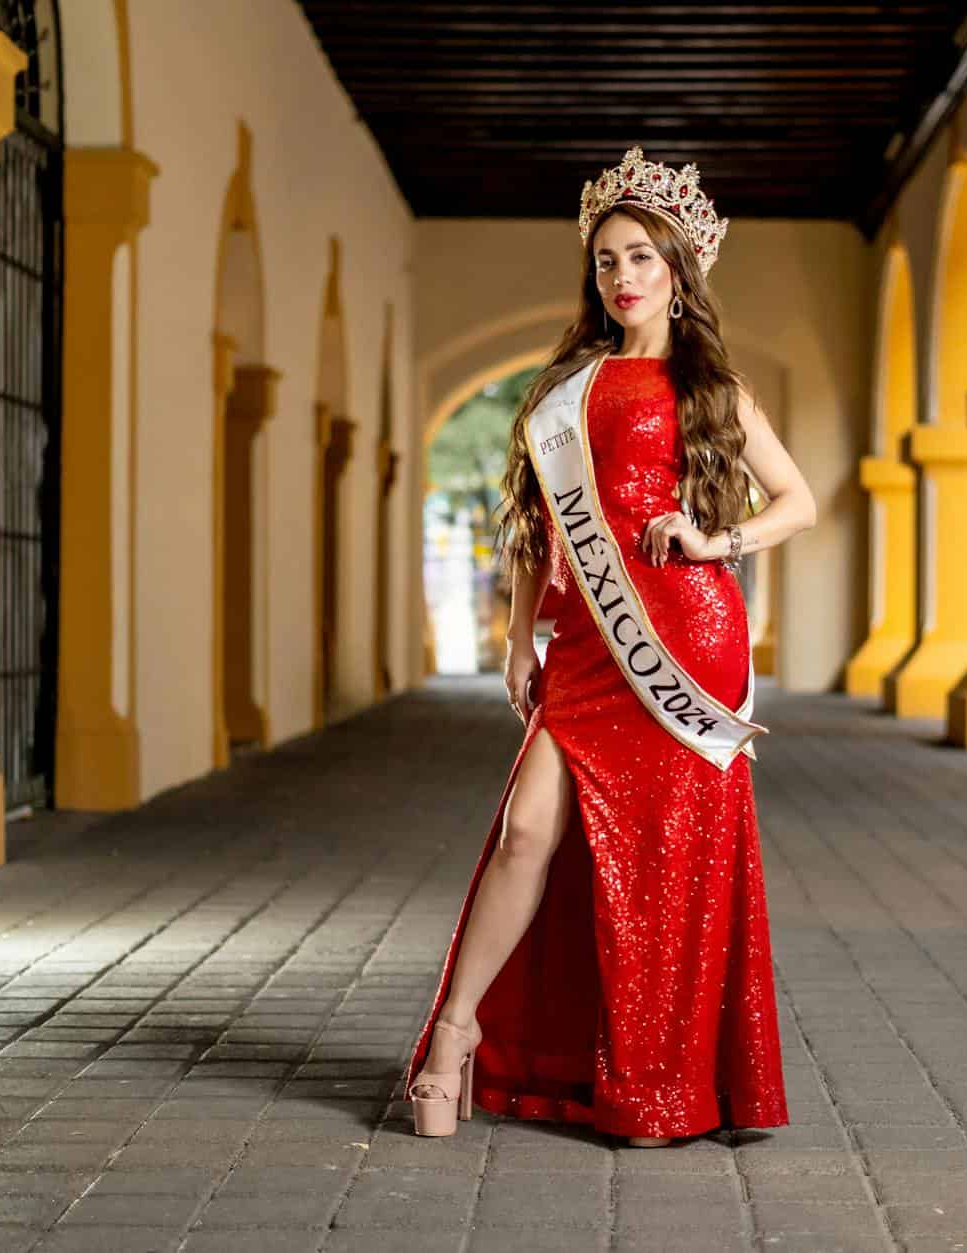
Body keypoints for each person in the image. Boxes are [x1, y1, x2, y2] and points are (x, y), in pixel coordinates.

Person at [405, 147, 817, 1148]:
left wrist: (714, 538)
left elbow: (799, 500)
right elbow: (540, 524)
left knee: (668, 867)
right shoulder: (564, 389)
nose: (621, 277)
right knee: (526, 831)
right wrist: (516, 636)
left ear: (677, 270)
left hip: (685, 639)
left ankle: (655, 1083)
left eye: (640, 257)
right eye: (605, 262)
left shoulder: (708, 386)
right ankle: (452, 1036)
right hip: (590, 650)